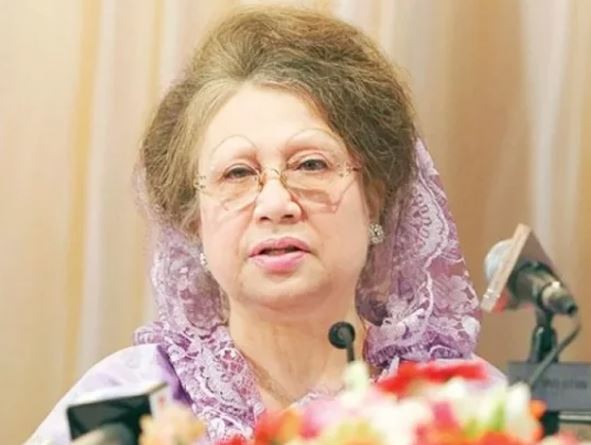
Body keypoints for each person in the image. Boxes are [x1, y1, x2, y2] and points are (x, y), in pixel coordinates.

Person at [28, 6, 501, 444]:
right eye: (237, 174)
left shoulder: (462, 409)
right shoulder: (125, 412)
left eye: (311, 165)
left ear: (374, 200)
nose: (275, 204)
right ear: (193, 222)